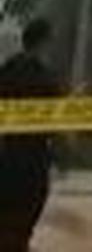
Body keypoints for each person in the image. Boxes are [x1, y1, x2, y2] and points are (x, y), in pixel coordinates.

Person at [0, 18, 60, 252]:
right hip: (33, 157)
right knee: (27, 208)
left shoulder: (7, 69)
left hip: (8, 153)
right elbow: (54, 118)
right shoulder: (44, 76)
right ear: (43, 42)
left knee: (8, 213)